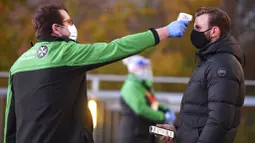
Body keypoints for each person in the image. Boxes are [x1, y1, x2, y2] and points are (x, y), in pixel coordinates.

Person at [4, 4, 189, 143]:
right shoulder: (66, 52)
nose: (72, 27)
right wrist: (163, 32)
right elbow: (117, 48)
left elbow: (10, 120)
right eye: (68, 22)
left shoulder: (18, 64)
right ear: (56, 29)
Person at [157, 7, 245, 143]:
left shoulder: (222, 65)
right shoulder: (210, 61)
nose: (194, 33)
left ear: (214, 31)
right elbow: (199, 113)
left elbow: (219, 121)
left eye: (198, 28)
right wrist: (178, 130)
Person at [119, 55, 176, 143]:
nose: (146, 71)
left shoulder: (144, 86)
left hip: (144, 133)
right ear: (134, 69)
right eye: (142, 68)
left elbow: (153, 103)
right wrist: (162, 116)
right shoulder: (131, 86)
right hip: (134, 134)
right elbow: (141, 108)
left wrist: (165, 110)